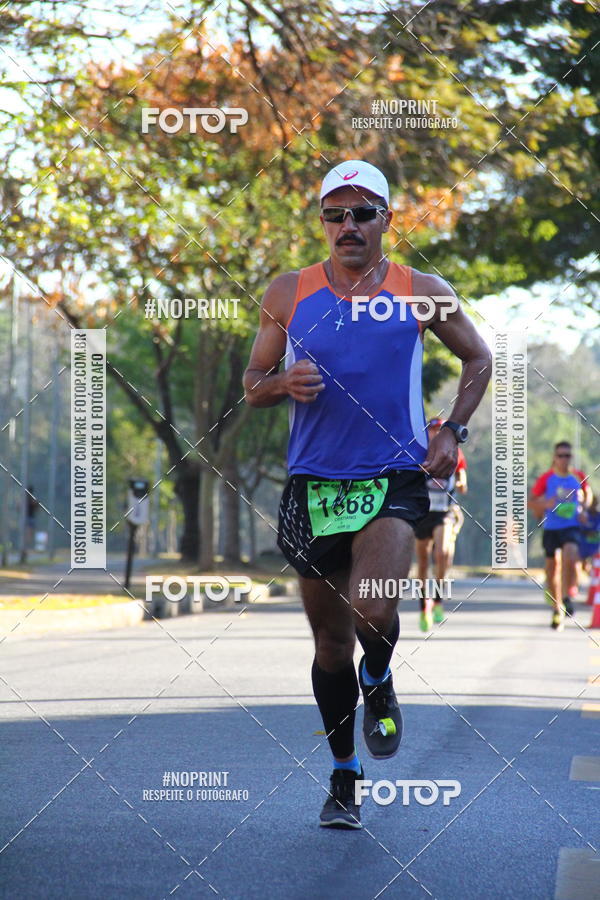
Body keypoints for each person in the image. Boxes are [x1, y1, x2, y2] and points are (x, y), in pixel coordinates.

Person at [243, 159, 491, 829]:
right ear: (323, 221)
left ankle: (377, 677)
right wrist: (279, 384)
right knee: (330, 644)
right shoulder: (288, 291)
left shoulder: (422, 290)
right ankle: (344, 775)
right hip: (313, 483)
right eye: (335, 214)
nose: (347, 226)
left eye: (361, 213)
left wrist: (453, 429)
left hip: (392, 477)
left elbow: (479, 357)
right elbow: (253, 381)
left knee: (373, 610)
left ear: (387, 220)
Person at [529, 441, 591, 629]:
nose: (564, 459)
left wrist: (583, 510)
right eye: (561, 455)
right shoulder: (546, 478)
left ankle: (566, 595)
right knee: (552, 567)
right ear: (554, 458)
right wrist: (545, 504)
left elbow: (587, 495)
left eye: (567, 455)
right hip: (552, 528)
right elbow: (530, 502)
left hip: (571, 526)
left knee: (570, 556)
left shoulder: (577, 476)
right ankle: (557, 608)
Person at [414, 418, 468, 631]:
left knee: (443, 553)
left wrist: (460, 483)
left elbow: (463, 480)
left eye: (439, 429)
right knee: (423, 561)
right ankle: (424, 606)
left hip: (444, 511)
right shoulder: (419, 452)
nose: (436, 433)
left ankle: (437, 599)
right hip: (423, 512)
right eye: (433, 429)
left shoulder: (454, 452)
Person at [578, 494, 600, 573]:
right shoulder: (584, 515)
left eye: (596, 503)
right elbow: (580, 529)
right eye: (592, 503)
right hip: (584, 545)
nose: (594, 505)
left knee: (595, 565)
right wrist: (588, 532)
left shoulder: (598, 516)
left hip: (596, 546)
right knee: (583, 566)